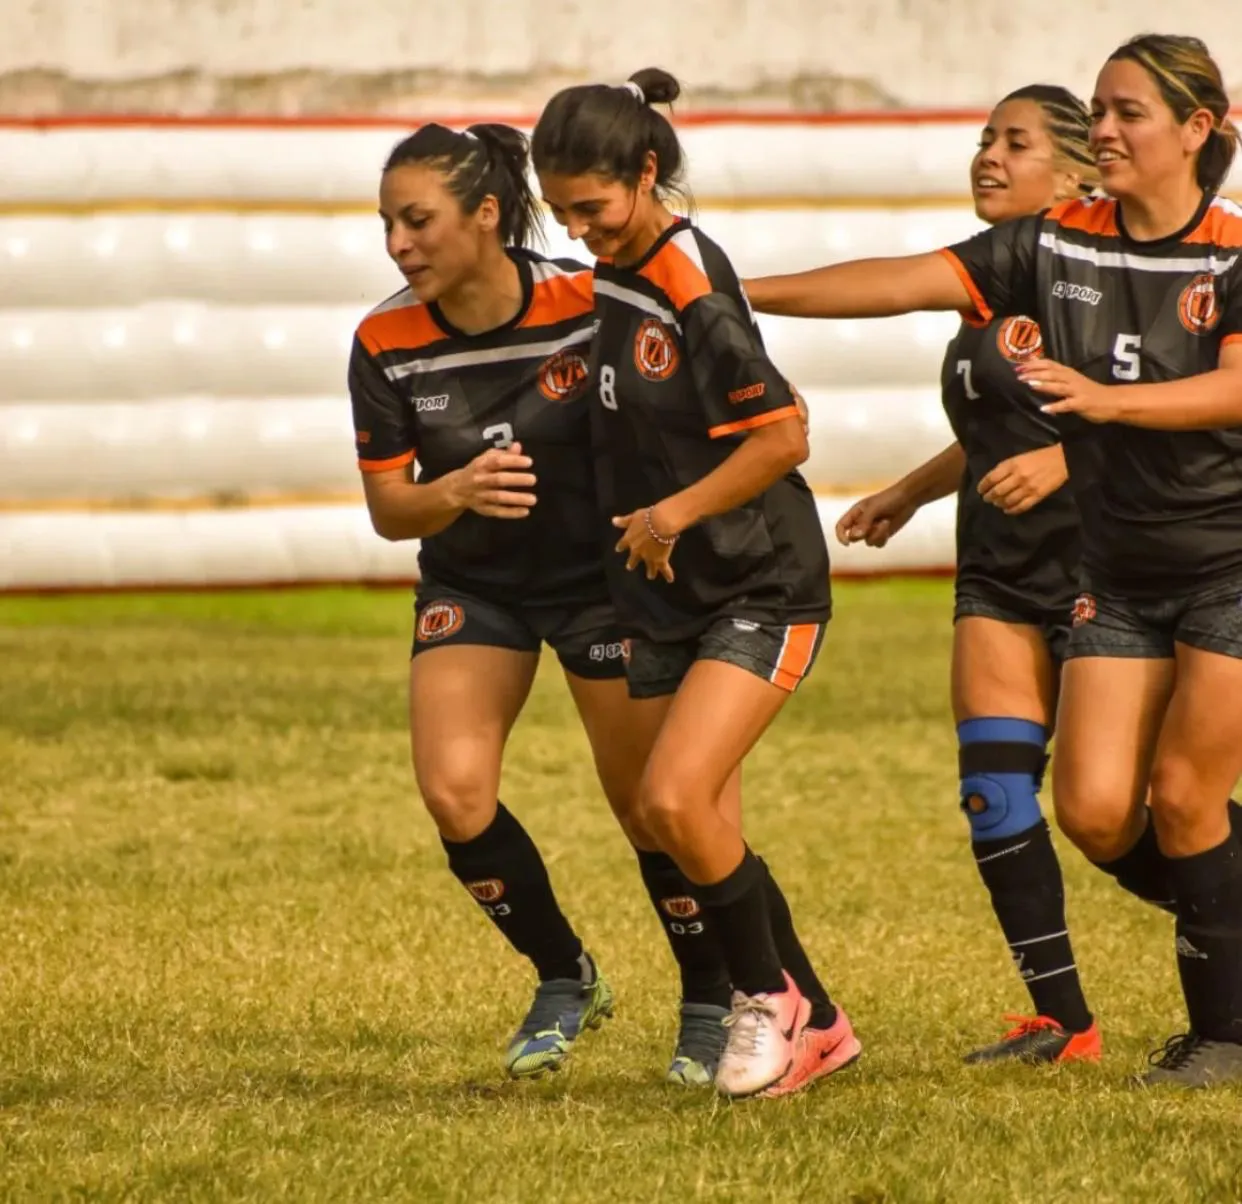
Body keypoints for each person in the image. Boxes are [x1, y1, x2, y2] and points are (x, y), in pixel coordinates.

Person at [744, 34, 1242, 1087]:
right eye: (1098, 110)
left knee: (1188, 794)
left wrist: (1101, 413)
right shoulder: (1050, 244)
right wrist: (734, 294)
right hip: (1118, 574)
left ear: (1198, 129)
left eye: (1127, 114)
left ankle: (1223, 1038)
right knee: (1097, 810)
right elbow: (902, 281)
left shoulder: (1231, 252)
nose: (1104, 128)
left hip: (1226, 563)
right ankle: (1132, 979)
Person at [348, 121, 737, 1085]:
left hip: (600, 587)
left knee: (649, 808)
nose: (399, 244)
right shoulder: (383, 339)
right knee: (454, 792)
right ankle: (566, 976)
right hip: (475, 585)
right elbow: (392, 510)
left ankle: (709, 999)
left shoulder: (585, 302)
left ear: (486, 215)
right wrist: (457, 494)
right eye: (388, 224)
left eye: (418, 221)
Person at [532, 68, 861, 1099]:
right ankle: (823, 1017)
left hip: (760, 585)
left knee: (675, 799)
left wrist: (674, 513)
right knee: (685, 813)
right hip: (672, 592)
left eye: (593, 207)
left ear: (645, 172)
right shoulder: (621, 266)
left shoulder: (689, 282)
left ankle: (769, 1004)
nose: (582, 230)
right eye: (563, 212)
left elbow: (783, 433)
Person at [834, 85, 1103, 1065]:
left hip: (1106, 565)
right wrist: (911, 490)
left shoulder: (1105, 274)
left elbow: (1179, 410)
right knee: (995, 790)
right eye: (984, 138)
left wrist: (1071, 463)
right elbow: (1003, 426)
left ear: (1075, 170)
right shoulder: (990, 275)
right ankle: (1062, 1022)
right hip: (998, 567)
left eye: (1014, 142)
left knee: (1131, 805)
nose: (986, 154)